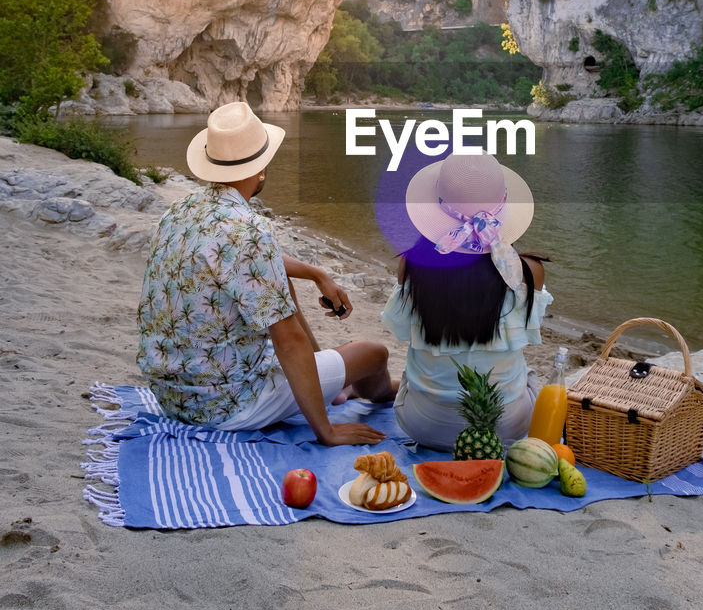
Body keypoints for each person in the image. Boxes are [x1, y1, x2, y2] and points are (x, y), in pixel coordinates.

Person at [137, 101, 395, 444]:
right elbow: (289, 341)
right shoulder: (249, 231)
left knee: (279, 279)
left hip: (173, 396)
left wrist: (316, 272)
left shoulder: (181, 210)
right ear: (260, 169)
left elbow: (242, 259)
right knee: (373, 353)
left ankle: (329, 376)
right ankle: (380, 392)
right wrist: (326, 431)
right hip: (229, 405)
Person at [380, 152, 551, 451]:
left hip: (423, 425)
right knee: (528, 377)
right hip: (506, 427)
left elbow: (405, 329)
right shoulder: (528, 272)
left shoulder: (412, 266)